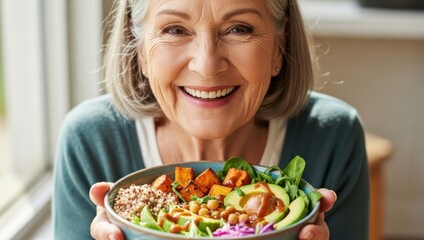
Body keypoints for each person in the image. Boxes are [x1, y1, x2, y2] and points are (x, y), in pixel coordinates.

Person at [52, 0, 369, 239]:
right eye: (174, 30)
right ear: (139, 50)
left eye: (239, 29)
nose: (207, 65)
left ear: (279, 45)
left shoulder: (334, 134)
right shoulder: (90, 140)